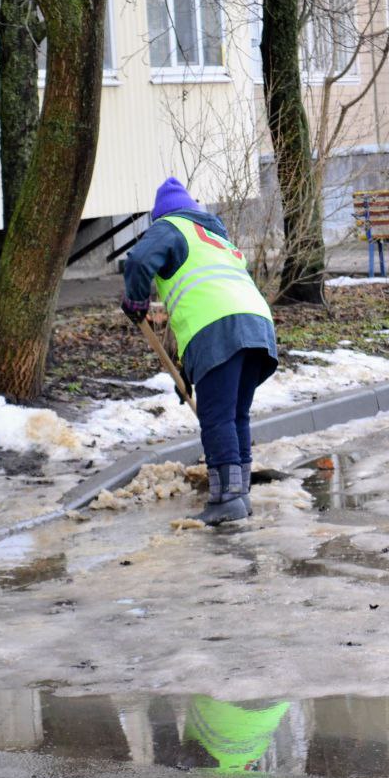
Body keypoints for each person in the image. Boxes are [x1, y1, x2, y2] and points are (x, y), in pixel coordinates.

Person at [122, 177, 277, 526]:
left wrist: (135, 300)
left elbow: (137, 262)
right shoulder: (215, 236)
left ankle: (226, 499)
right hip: (257, 327)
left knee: (217, 417)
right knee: (235, 414)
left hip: (220, 329)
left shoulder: (169, 226)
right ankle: (240, 493)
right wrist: (188, 375)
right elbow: (200, 304)